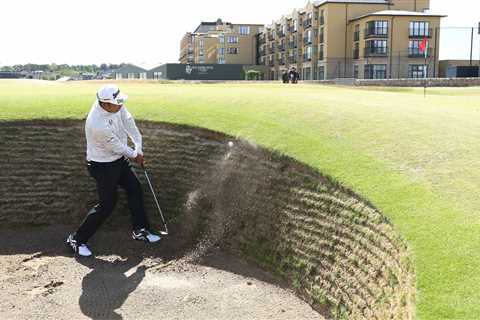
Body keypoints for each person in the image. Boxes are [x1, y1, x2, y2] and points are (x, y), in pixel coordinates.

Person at [66, 84, 161, 257]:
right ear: (106, 103)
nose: (121, 104)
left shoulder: (117, 107)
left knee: (135, 189)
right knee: (107, 205)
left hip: (118, 161)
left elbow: (129, 123)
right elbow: (117, 146)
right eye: (117, 103)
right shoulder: (97, 124)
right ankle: (77, 239)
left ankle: (139, 230)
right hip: (102, 165)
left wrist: (139, 146)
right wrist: (135, 155)